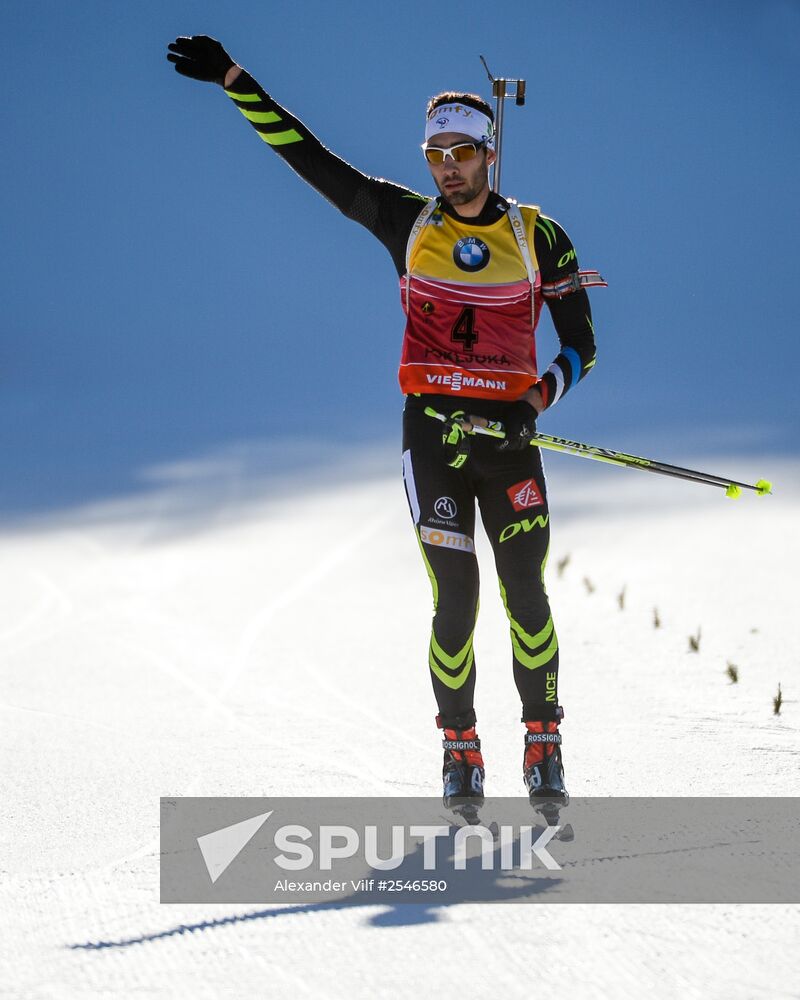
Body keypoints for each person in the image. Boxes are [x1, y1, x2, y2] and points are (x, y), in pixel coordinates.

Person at [167, 35, 605, 818]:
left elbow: (582, 344)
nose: (447, 166)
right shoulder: (405, 220)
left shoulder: (540, 235)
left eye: (462, 151)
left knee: (526, 593)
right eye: (435, 152)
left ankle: (543, 742)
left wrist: (533, 405)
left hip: (507, 443)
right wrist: (237, 82)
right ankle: (459, 748)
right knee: (455, 599)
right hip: (432, 436)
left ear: (489, 153)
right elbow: (314, 160)